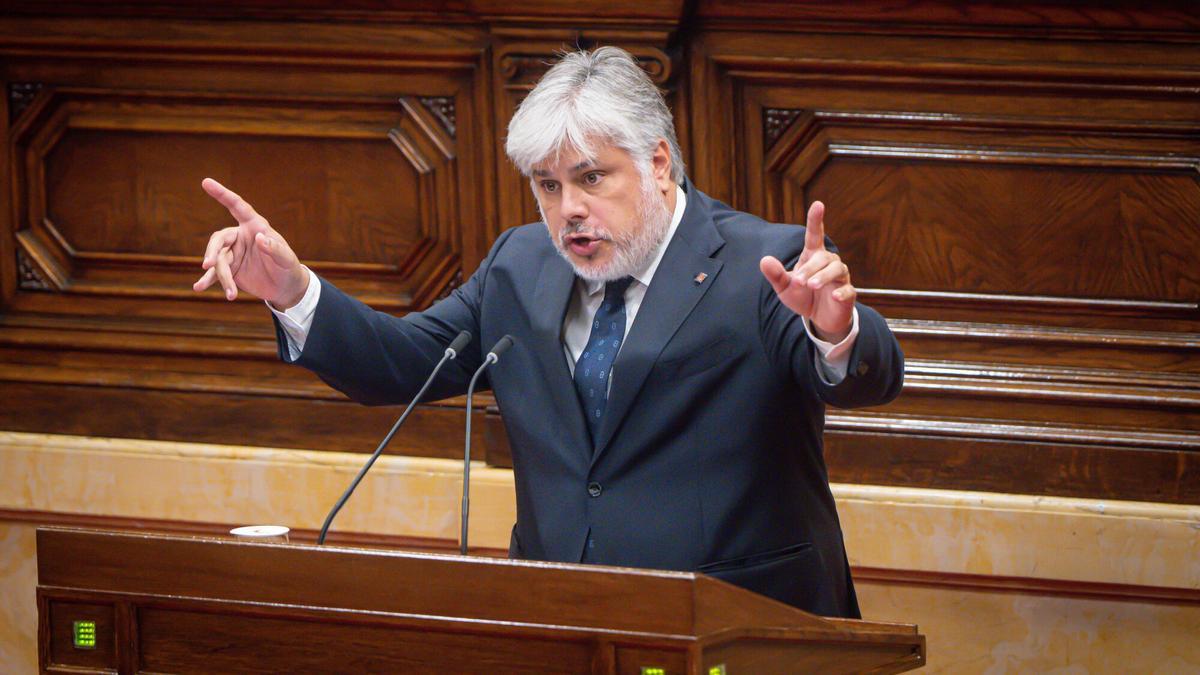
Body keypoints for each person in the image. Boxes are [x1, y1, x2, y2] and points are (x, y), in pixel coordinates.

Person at [193, 47, 903, 618]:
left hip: (738, 625)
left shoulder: (762, 264)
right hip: (558, 623)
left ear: (657, 163)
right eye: (548, 185)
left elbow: (872, 376)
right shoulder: (519, 264)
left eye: (592, 178)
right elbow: (400, 363)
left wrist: (836, 330)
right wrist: (291, 288)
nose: (568, 210)